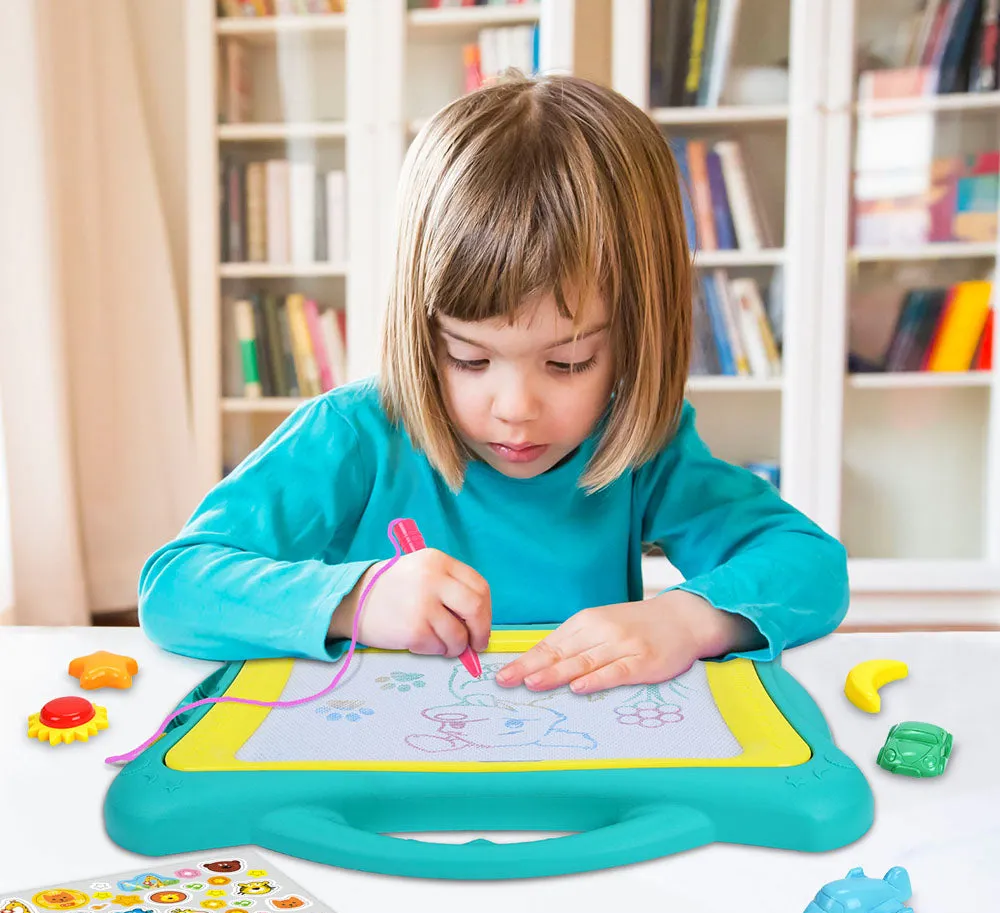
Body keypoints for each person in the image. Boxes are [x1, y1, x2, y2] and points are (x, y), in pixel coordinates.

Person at [139, 74, 848, 696]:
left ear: (637, 333)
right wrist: (355, 600)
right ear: (422, 331)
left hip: (576, 769)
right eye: (470, 359)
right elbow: (174, 587)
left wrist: (684, 619)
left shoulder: (641, 448)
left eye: (568, 363)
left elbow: (812, 567)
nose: (514, 409)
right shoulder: (355, 435)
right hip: (382, 765)